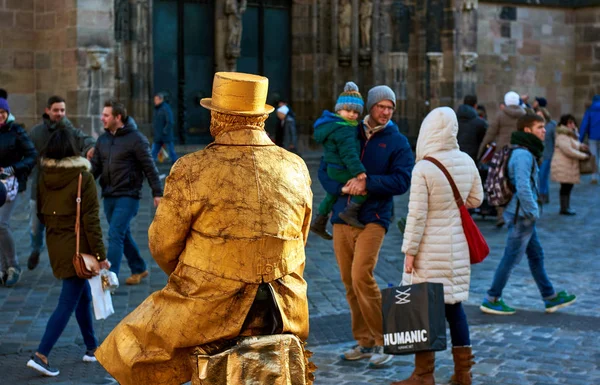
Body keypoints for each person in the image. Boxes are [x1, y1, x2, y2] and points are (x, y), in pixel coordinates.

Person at [95, 72, 313, 385]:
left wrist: (202, 275)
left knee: (130, 348)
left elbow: (163, 244)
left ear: (221, 118)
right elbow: (299, 239)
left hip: (210, 301)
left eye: (212, 113)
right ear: (260, 118)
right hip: (284, 301)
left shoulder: (192, 168)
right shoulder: (296, 166)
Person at [318, 85, 413, 368]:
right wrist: (342, 186)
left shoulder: (398, 142)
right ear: (370, 107)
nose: (385, 112)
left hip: (374, 217)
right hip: (342, 216)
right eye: (381, 106)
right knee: (349, 282)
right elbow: (325, 168)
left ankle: (383, 339)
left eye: (390, 108)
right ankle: (364, 341)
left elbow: (402, 181)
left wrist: (367, 182)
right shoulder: (347, 131)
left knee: (362, 275)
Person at [392, 107, 482, 385]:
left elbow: (417, 216)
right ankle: (464, 373)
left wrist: (409, 253)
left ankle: (423, 374)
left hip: (429, 250)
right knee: (455, 309)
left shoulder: (424, 168)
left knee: (423, 309)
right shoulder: (467, 160)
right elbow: (477, 200)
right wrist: (451, 208)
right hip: (457, 247)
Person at [26, 128, 108, 377]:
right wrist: (101, 256)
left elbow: (39, 213)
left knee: (81, 296)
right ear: (74, 149)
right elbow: (91, 221)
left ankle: (92, 348)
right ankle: (41, 355)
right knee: (67, 303)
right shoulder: (83, 177)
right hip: (78, 249)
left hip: (56, 245)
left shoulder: (42, 177)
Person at [481, 114, 577, 315]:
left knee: (535, 255)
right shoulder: (523, 155)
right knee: (511, 257)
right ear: (527, 130)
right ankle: (492, 297)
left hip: (521, 214)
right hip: (522, 215)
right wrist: (533, 210)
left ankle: (549, 297)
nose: (544, 130)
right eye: (539, 127)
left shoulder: (524, 151)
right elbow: (523, 186)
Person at [91, 100, 163, 285]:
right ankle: (139, 268)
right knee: (122, 233)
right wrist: (81, 185)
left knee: (115, 233)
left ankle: (109, 277)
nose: (102, 118)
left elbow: (150, 167)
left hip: (128, 195)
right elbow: (95, 168)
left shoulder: (136, 139)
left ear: (118, 117)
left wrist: (157, 193)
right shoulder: (103, 139)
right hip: (108, 196)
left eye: (106, 115)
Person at [27, 95, 95, 271]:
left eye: (62, 110)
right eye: (56, 110)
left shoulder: (69, 129)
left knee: (59, 226)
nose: (59, 113)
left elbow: (85, 140)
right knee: (36, 225)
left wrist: (90, 149)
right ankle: (35, 249)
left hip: (63, 188)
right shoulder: (36, 133)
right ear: (47, 110)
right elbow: (26, 154)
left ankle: (63, 258)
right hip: (40, 186)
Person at [311, 81, 367, 239]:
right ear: (339, 109)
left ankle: (319, 222)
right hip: (341, 168)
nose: (352, 115)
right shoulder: (345, 129)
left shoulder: (332, 124)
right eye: (348, 110)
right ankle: (350, 213)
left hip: (333, 167)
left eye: (356, 112)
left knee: (331, 195)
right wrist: (359, 172)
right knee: (363, 189)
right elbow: (348, 153)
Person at [0, 98, 37, 287]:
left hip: (9, 183)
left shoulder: (16, 131)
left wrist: (12, 168)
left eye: (2, 113)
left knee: (1, 224)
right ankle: (3, 267)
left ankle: (13, 266)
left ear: (7, 113)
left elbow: (32, 156)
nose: (0, 116)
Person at [478, 91, 526, 227]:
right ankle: (517, 214)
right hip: (520, 151)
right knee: (518, 182)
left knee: (498, 183)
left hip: (502, 153)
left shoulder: (500, 115)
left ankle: (501, 215)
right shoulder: (524, 115)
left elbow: (490, 134)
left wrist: (481, 151)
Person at [551, 114, 589, 215]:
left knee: (568, 186)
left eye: (573, 122)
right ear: (565, 124)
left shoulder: (570, 134)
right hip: (563, 164)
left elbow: (573, 144)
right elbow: (568, 150)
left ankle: (566, 207)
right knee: (565, 187)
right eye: (569, 123)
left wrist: (581, 146)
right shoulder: (562, 135)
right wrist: (583, 156)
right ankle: (564, 208)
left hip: (568, 164)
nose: (572, 125)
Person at [456, 94, 488, 162]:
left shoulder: (453, 120)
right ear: (475, 105)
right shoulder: (480, 123)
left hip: (455, 157)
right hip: (472, 158)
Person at [537, 107, 557, 204]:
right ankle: (545, 195)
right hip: (538, 154)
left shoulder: (551, 125)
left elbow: (555, 141)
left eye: (541, 115)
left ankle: (542, 195)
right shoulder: (536, 126)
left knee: (542, 176)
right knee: (542, 176)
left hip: (548, 154)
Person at [151, 92, 178, 163]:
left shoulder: (165, 108)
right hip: (158, 135)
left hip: (165, 135)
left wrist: (165, 131)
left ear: (161, 100)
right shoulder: (157, 109)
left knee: (171, 151)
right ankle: (150, 165)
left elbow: (170, 121)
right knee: (153, 151)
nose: (155, 101)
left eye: (156, 99)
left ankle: (176, 165)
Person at [579, 94, 600, 184]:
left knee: (593, 156)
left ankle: (594, 176)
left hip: (593, 137)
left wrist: (580, 139)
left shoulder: (590, 110)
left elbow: (584, 125)